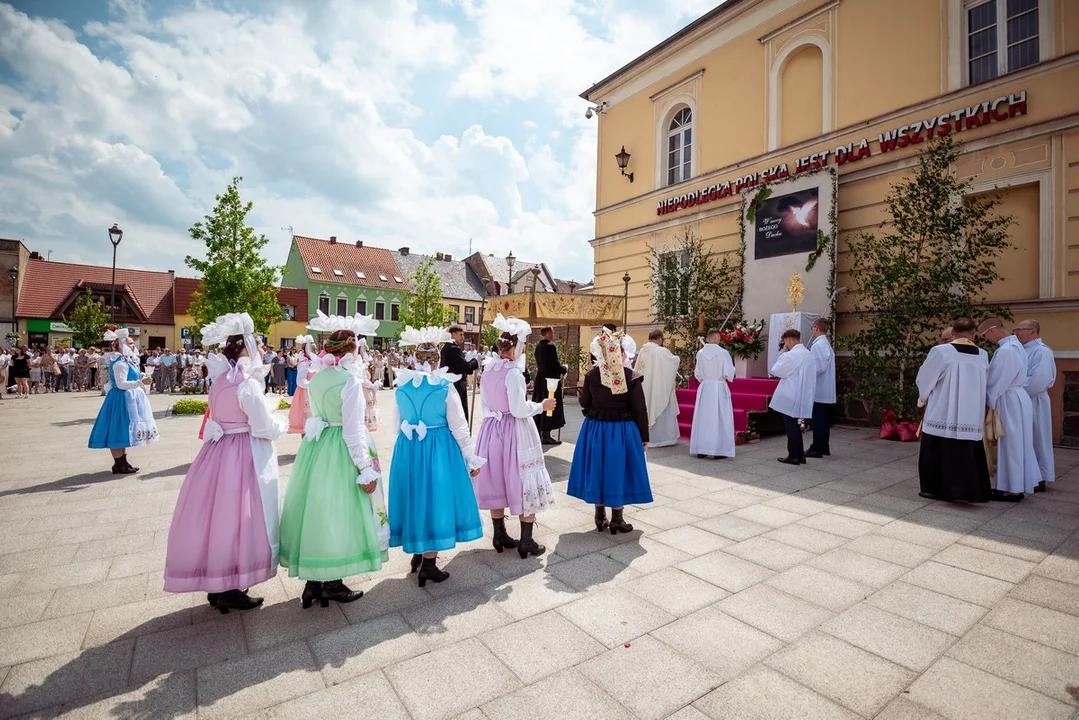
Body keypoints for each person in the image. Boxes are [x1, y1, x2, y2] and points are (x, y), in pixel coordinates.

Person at [164, 313, 288, 613]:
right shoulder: (246, 384)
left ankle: (218, 584)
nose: (260, 348)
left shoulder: (221, 380)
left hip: (218, 453)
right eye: (257, 343)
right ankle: (233, 585)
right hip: (243, 453)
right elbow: (262, 426)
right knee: (240, 518)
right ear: (246, 348)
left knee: (217, 518)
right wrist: (280, 421)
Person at [279, 313, 388, 608]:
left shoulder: (316, 379)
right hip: (341, 448)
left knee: (317, 510)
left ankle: (313, 583)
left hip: (318, 448)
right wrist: (365, 468)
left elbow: (314, 414)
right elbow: (353, 430)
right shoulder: (349, 382)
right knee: (340, 512)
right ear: (352, 351)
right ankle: (332, 583)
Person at [390, 326, 485, 586]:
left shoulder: (402, 387)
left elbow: (396, 425)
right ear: (436, 361)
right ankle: (429, 565)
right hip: (438, 448)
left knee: (416, 497)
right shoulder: (445, 386)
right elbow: (459, 426)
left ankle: (418, 555)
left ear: (413, 359)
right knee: (435, 499)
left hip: (408, 448)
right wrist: (470, 457)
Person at [474, 315, 557, 559]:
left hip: (491, 430)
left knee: (498, 478)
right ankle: (526, 541)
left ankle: (499, 534)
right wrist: (542, 405)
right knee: (521, 479)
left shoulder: (488, 368)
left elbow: (486, 403)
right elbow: (519, 410)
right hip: (514, 430)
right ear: (517, 346)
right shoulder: (512, 373)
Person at [569, 329, 651, 534]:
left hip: (596, 429)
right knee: (618, 470)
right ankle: (617, 518)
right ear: (620, 352)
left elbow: (584, 402)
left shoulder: (592, 375)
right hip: (622, 431)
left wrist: (596, 414)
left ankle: (599, 515)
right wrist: (643, 436)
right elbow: (639, 408)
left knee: (598, 468)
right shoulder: (630, 376)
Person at [915, 317, 991, 503]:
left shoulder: (941, 351)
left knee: (936, 449)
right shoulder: (983, 354)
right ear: (973, 335)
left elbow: (925, 377)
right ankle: (966, 490)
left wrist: (922, 399)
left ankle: (934, 489)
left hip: (943, 408)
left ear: (953, 333)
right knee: (966, 451)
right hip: (970, 413)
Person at [980, 318, 1040, 501]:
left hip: (1008, 398)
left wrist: (986, 400)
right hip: (1016, 397)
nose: (986, 339)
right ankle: (1011, 485)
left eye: (985, 335)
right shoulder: (1015, 346)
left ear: (991, 330)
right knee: (1017, 443)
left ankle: (1011, 488)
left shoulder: (1007, 350)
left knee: (1011, 444)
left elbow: (997, 380)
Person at [88, 327, 158, 474]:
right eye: (130, 343)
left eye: (133, 343)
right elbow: (121, 384)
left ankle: (123, 462)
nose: (133, 346)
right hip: (121, 398)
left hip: (128, 397)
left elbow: (133, 376)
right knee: (118, 429)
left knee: (125, 429)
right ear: (120, 344)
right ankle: (118, 463)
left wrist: (142, 378)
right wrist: (140, 382)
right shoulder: (120, 362)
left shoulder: (128, 360)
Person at [1014, 320, 1056, 492]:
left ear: (1032, 332)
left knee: (1038, 437)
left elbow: (1039, 380)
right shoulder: (1022, 350)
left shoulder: (1042, 351)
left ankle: (1040, 477)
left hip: (1034, 400)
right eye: (1015, 330)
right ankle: (1027, 474)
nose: (1016, 333)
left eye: (1020, 330)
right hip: (1023, 398)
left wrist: (1016, 388)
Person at [770, 329, 815, 466]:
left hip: (791, 393)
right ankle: (800, 454)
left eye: (785, 342)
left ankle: (794, 455)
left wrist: (784, 353)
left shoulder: (791, 355)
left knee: (791, 426)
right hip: (803, 393)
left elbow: (776, 370)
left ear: (789, 340)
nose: (785, 345)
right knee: (795, 424)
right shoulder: (808, 354)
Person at [690, 329, 735, 459]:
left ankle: (702, 449)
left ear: (708, 339)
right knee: (720, 418)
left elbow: (697, 374)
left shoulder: (700, 353)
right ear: (717, 339)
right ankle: (719, 450)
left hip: (705, 387)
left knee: (703, 418)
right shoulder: (723, 353)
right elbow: (729, 373)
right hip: (718, 387)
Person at [635, 329, 682, 449]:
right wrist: (676, 358)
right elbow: (673, 362)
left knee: (646, 408)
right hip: (658, 387)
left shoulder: (642, 350)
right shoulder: (660, 351)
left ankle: (646, 436)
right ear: (659, 339)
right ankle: (662, 439)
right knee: (659, 406)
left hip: (645, 386)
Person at [531, 326, 568, 446]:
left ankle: (541, 433)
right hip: (550, 381)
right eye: (552, 332)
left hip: (540, 380)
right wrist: (563, 368)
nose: (553, 334)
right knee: (550, 406)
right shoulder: (550, 346)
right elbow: (554, 364)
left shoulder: (538, 347)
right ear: (547, 333)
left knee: (541, 404)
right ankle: (546, 435)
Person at [806, 318, 836, 459]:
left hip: (819, 389)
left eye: (813, 327)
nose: (812, 330)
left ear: (817, 328)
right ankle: (823, 446)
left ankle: (817, 448)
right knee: (823, 419)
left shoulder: (817, 346)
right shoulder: (825, 344)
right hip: (825, 389)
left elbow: (819, 367)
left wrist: (806, 369)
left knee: (819, 420)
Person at [439, 325, 479, 421]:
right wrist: (475, 361)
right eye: (460, 334)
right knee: (459, 414)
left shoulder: (446, 348)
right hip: (456, 385)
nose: (463, 337)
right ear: (453, 335)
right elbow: (466, 368)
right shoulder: (453, 349)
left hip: (449, 384)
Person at [288, 333, 321, 435]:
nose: (315, 352)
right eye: (313, 349)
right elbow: (300, 381)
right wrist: (312, 384)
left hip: (314, 392)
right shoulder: (304, 363)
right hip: (306, 393)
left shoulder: (313, 362)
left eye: (315, 349)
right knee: (307, 419)